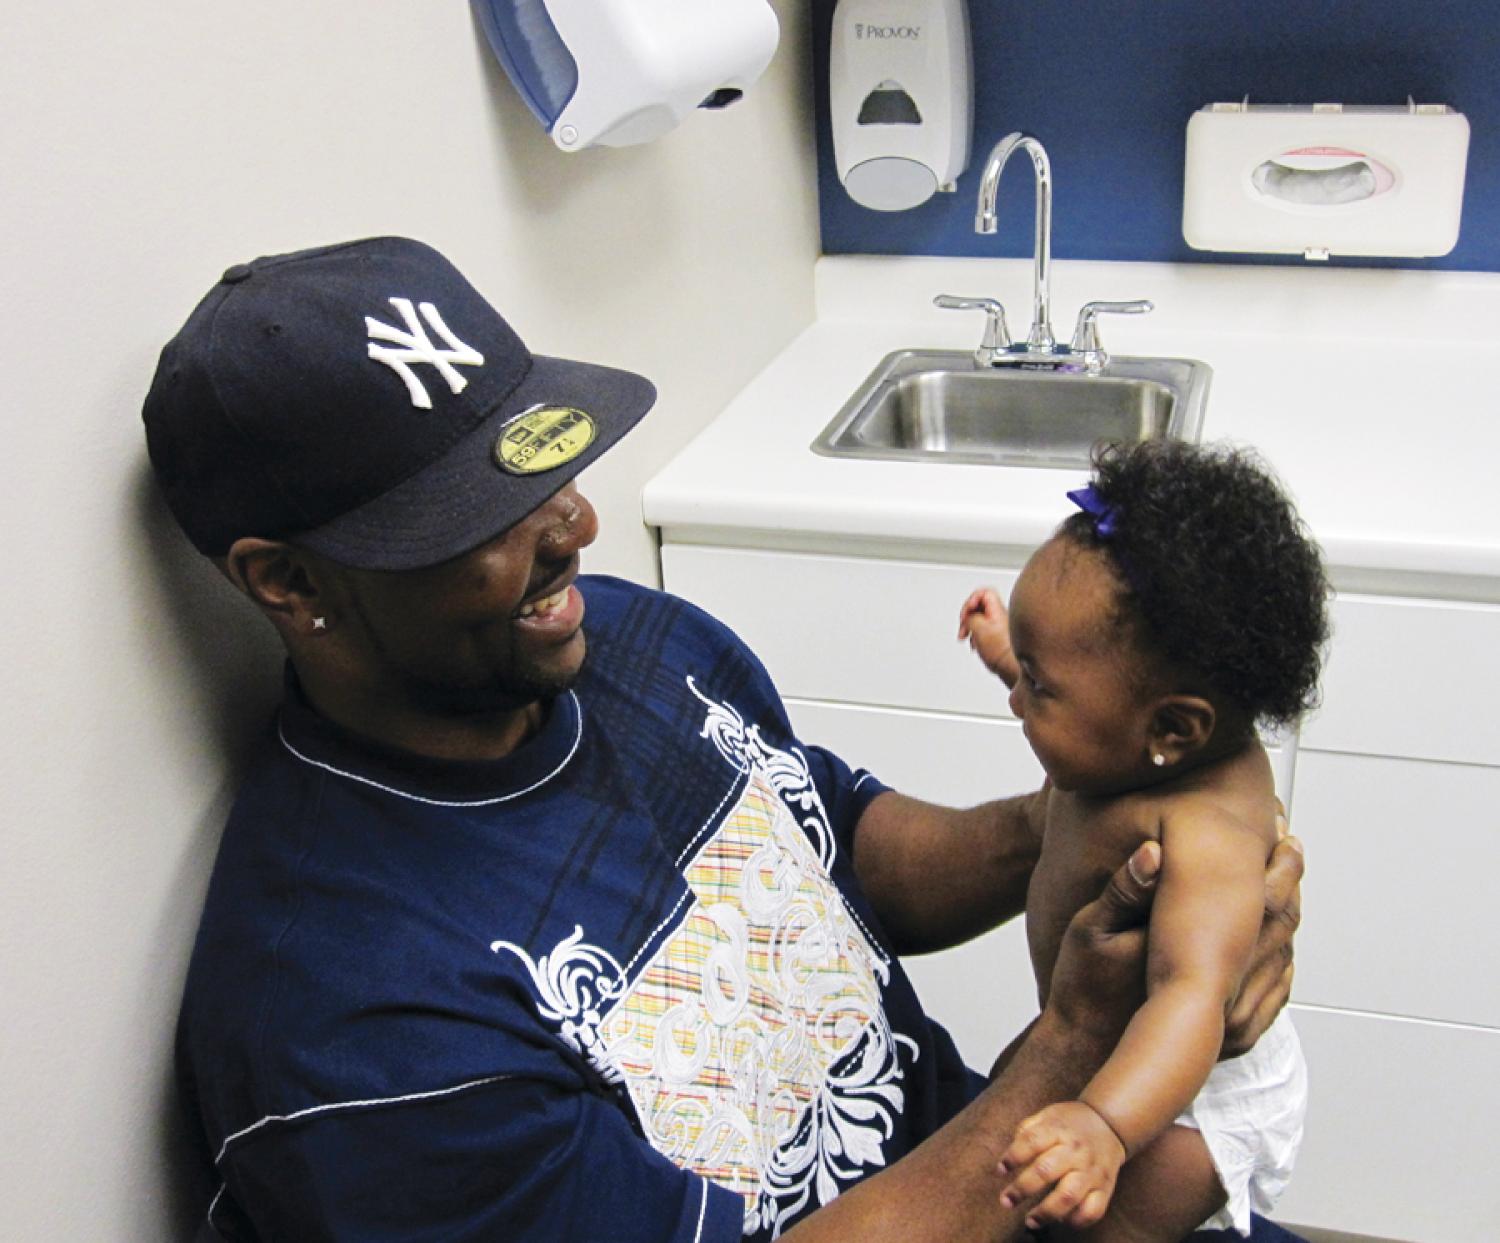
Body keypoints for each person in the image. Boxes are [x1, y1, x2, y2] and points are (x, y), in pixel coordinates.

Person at [146, 236, 1304, 1242]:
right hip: (1019, 1151)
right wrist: (1075, 1041)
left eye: (539, 460)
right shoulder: (355, 1034)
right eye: (477, 515)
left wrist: (1110, 838)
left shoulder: (637, 645)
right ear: (288, 580)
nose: (575, 526)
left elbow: (838, 843)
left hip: (1000, 1169)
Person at [958, 442, 1327, 1238]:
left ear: (1171, 728)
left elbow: (1193, 996)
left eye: (1038, 683)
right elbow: (1078, 689)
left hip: (1194, 1097)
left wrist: (1107, 1126)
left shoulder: (1207, 831)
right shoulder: (1133, 744)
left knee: (1098, 1228)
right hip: (1128, 1051)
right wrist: (1013, 659)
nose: (1020, 697)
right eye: (1020, 666)